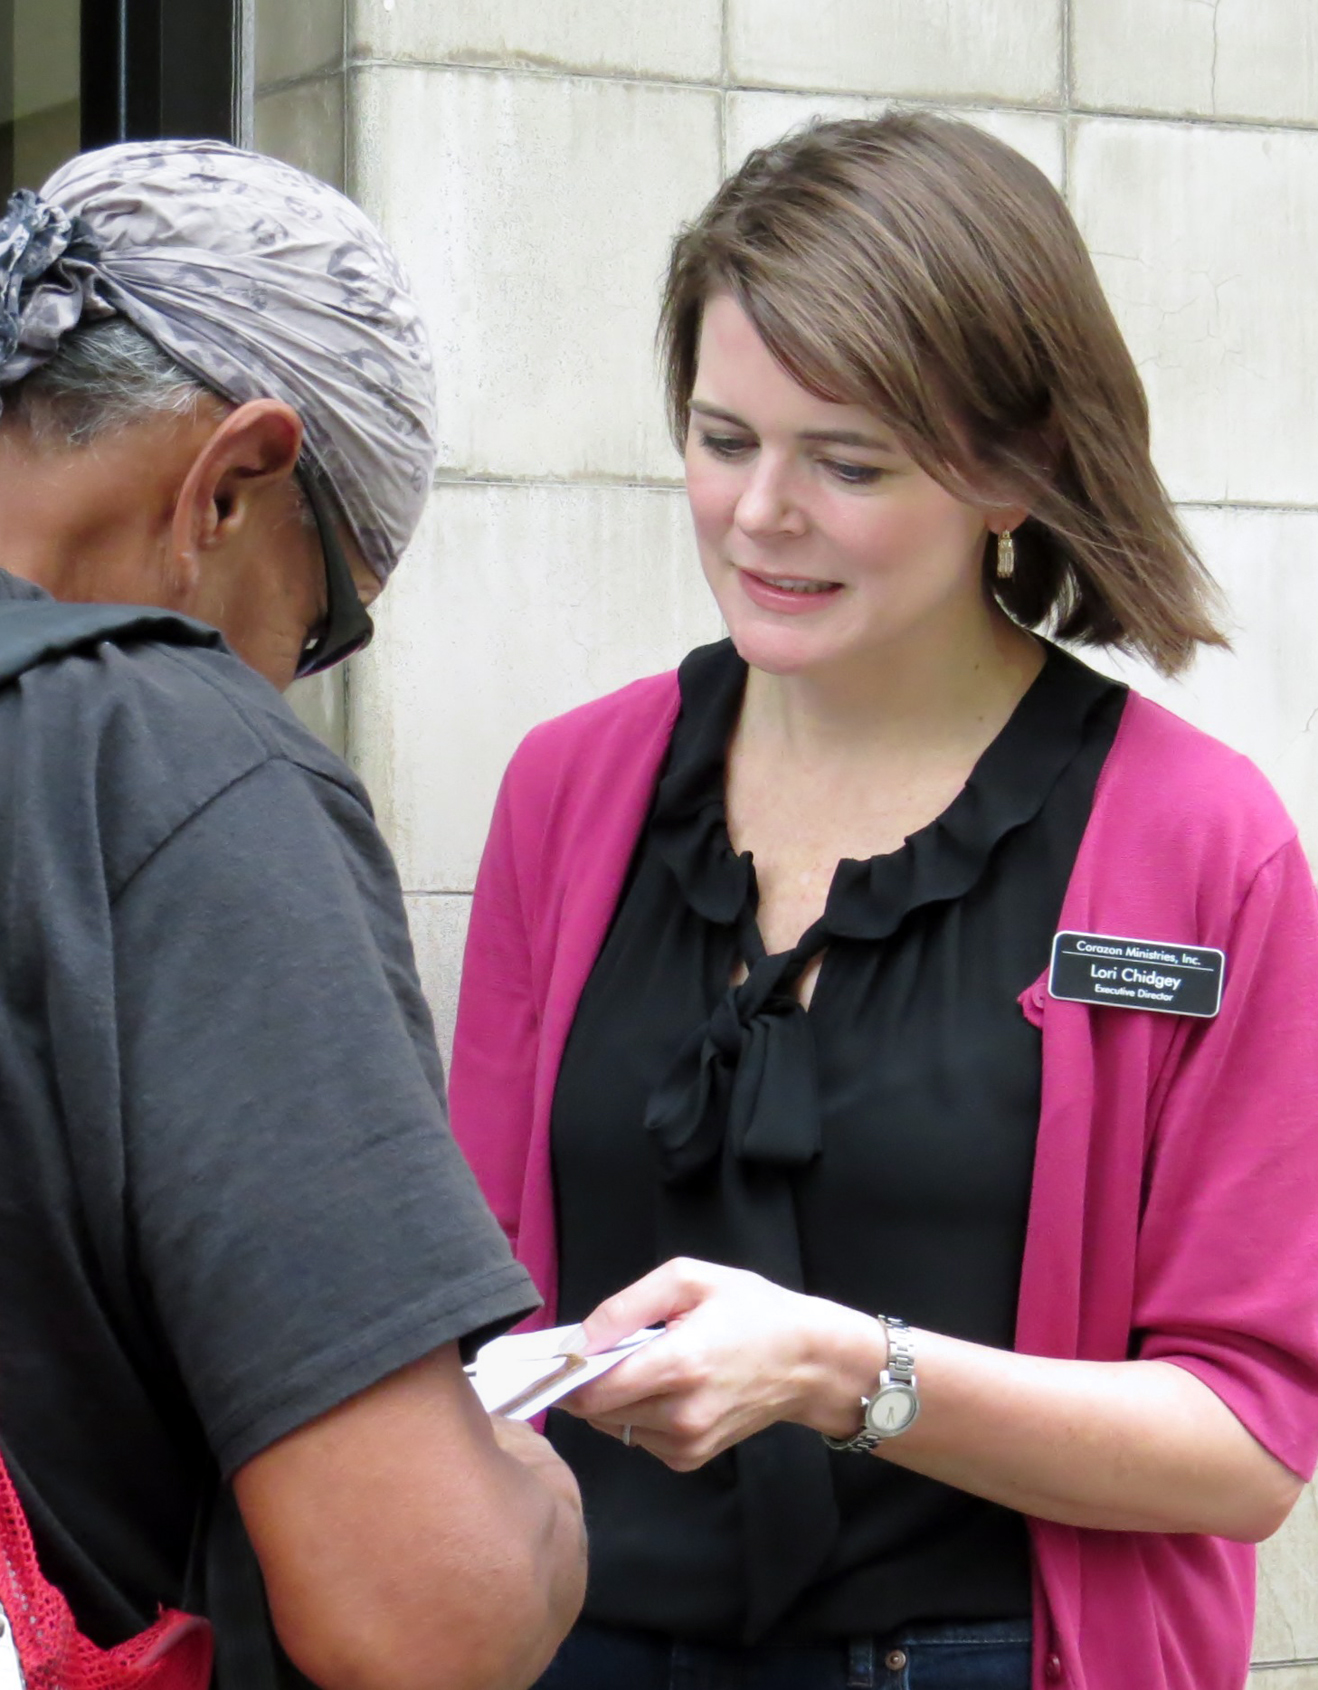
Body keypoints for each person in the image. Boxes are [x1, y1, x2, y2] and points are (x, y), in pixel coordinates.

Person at [449, 111, 1318, 1690]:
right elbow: (474, 1311)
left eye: (845, 462)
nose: (761, 512)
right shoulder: (567, 790)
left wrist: (847, 1370)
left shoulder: (1200, 844)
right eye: (723, 439)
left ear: (1015, 473)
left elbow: (1244, 1441)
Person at [0, 141, 585, 1690]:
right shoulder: (159, 754)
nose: (283, 682)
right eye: (318, 621)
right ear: (235, 480)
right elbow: (421, 1615)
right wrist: (533, 1504)